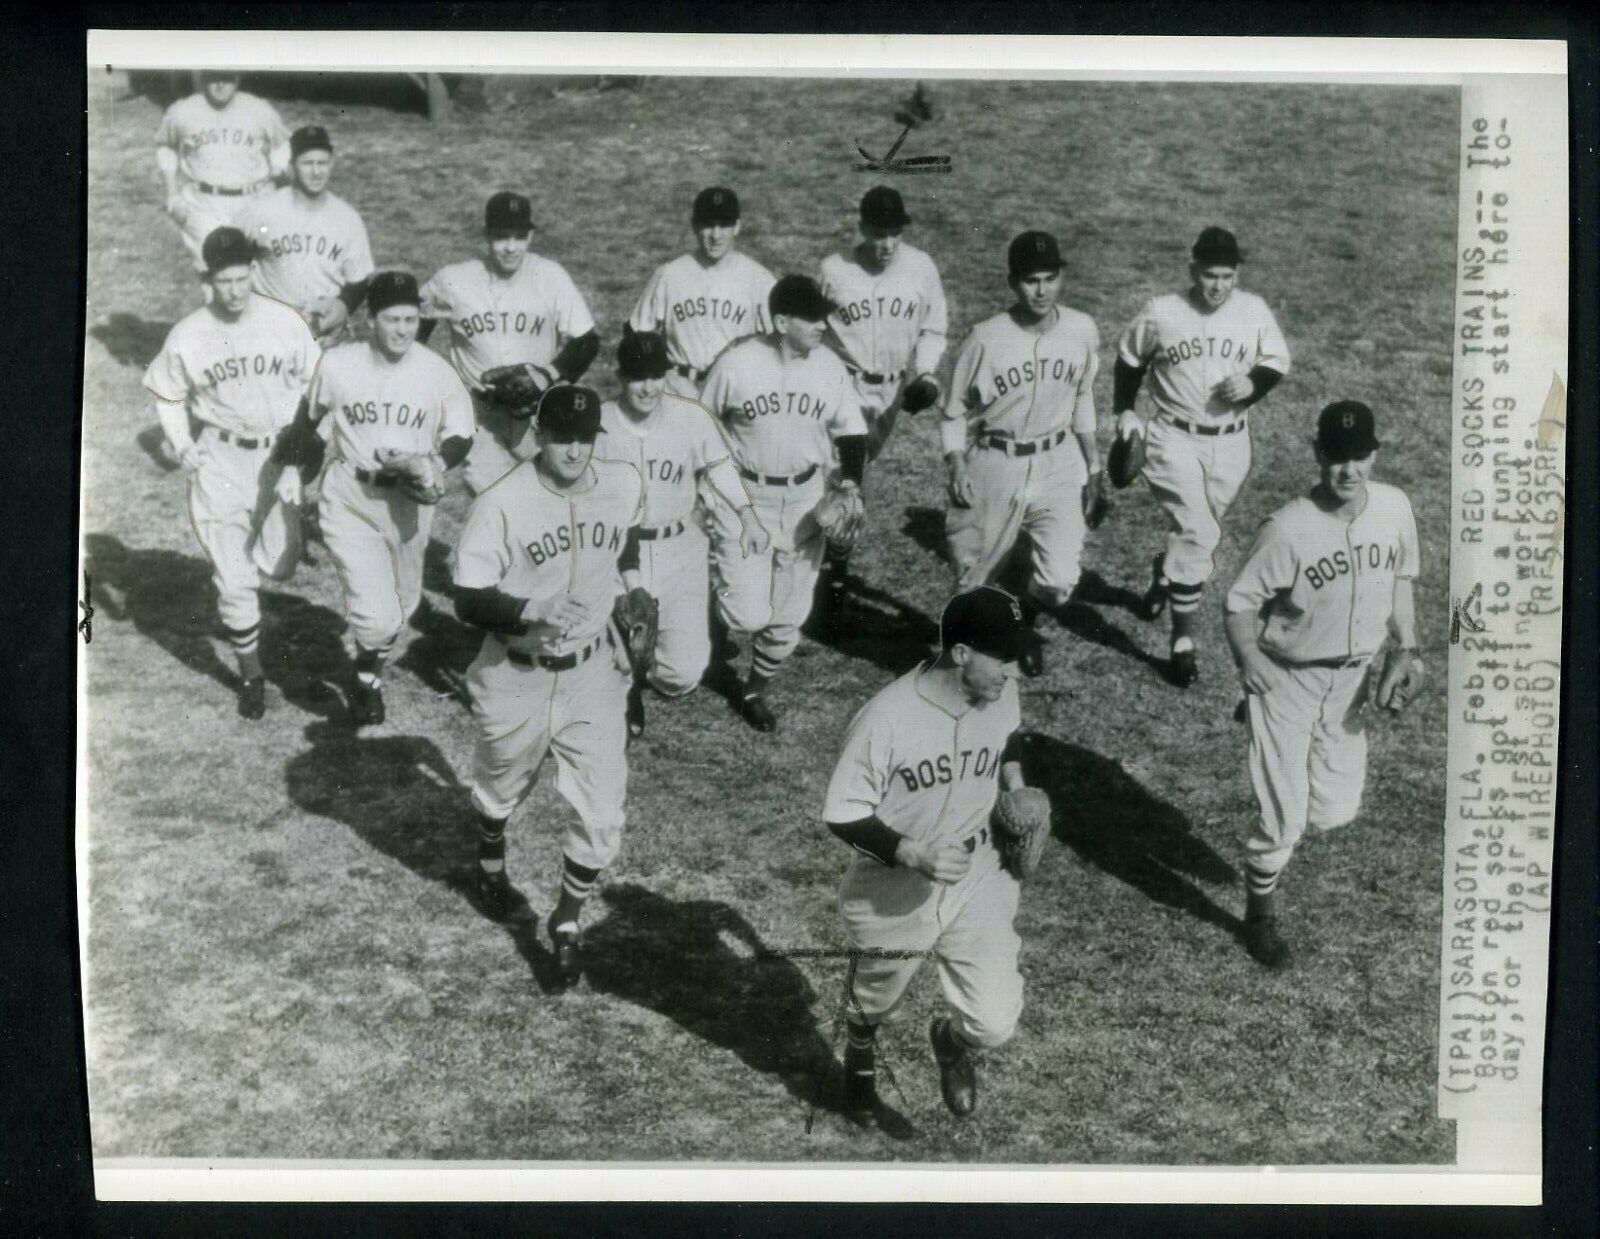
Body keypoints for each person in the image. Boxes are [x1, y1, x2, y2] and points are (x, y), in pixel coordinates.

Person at [450, 386, 648, 989]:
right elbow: (467, 597)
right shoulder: (502, 501)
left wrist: (635, 587)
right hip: (517, 670)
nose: (574, 449)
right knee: (498, 786)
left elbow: (629, 536)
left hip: (591, 673)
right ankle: (489, 854)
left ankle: (564, 922)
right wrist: (532, 606)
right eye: (562, 436)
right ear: (538, 432)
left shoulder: (619, 483)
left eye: (585, 438)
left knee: (604, 810)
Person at [821, 586, 1034, 1129]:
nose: (1012, 670)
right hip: (896, 881)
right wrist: (912, 853)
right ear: (960, 653)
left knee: (993, 1022)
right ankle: (861, 1054)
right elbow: (843, 813)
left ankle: (951, 1041)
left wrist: (1015, 786)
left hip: (979, 869)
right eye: (1002, 657)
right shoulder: (886, 718)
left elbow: (1010, 741)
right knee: (873, 997)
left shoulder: (999, 692)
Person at [1223, 401, 1422, 969]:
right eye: (1337, 457)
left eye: (1359, 457)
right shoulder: (1287, 528)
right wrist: (1247, 660)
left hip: (1352, 680)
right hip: (1286, 680)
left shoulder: (1394, 508)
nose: (1349, 470)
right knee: (1283, 820)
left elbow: (1401, 580)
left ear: (1375, 455)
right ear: (1318, 455)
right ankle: (1258, 915)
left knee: (1333, 811)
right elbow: (1239, 604)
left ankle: (1281, 756)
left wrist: (1406, 648)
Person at [142, 227, 319, 719]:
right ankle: (251, 674)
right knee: (234, 580)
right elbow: (165, 393)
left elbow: (320, 391)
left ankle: (269, 565)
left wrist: (300, 459)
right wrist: (180, 443)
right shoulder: (189, 333)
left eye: (242, 278)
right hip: (220, 459)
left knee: (280, 563)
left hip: (278, 455)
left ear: (253, 273)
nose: (236, 290)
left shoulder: (284, 323)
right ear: (208, 280)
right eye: (225, 281)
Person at [289, 271, 474, 725]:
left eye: (411, 319)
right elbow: (307, 423)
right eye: (393, 319)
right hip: (352, 495)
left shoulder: (435, 372)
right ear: (371, 319)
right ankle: (369, 678)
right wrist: (294, 470)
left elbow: (462, 432)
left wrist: (436, 462)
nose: (404, 330)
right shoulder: (339, 365)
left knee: (404, 607)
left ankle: (366, 673)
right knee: (377, 616)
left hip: (410, 503)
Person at [1113, 226, 1292, 687]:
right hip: (1173, 437)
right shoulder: (1164, 312)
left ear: (1238, 274)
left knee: (1195, 534)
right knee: (1199, 532)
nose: (1218, 285)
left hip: (1232, 442)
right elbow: (1129, 360)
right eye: (1210, 275)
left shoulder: (1253, 310)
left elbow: (1277, 360)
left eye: (1227, 276)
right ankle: (1182, 643)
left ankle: (1164, 572)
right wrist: (1126, 415)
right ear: (1193, 269)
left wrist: (1254, 385)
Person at [698, 275, 869, 731]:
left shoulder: (829, 367)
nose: (822, 325)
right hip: (745, 496)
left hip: (805, 500)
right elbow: (699, 422)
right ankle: (712, 611)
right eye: (811, 317)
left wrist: (850, 481)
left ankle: (754, 690)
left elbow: (852, 431)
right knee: (746, 612)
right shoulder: (736, 365)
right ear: (780, 321)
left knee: (787, 620)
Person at [939, 230, 1102, 676]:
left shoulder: (1081, 329)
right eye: (1031, 280)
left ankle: (1022, 618)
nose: (1042, 289)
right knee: (973, 579)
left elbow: (1082, 396)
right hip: (997, 461)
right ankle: (972, 657)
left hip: (1057, 459)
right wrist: (955, 461)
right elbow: (952, 412)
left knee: (1059, 582)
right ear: (1013, 282)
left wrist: (1095, 467)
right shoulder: (986, 339)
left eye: (1051, 278)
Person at [592, 332, 767, 736]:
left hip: (680, 549)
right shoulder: (600, 423)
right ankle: (625, 687)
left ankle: (644, 658)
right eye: (638, 377)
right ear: (620, 376)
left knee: (681, 677)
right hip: (615, 552)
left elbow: (722, 468)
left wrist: (748, 515)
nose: (648, 387)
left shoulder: (690, 417)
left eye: (656, 376)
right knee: (612, 655)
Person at [814, 185, 949, 620]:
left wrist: (926, 373)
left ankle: (827, 560)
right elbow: (811, 328)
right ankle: (832, 574)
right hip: (845, 385)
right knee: (846, 476)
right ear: (862, 228)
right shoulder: (835, 270)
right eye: (878, 234)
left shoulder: (921, 268)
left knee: (854, 472)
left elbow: (934, 327)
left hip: (890, 393)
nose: (887, 244)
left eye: (894, 233)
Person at [420, 191, 600, 493]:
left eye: (519, 236)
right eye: (502, 237)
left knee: (550, 498)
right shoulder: (454, 280)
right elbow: (409, 324)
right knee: (490, 502)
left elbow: (587, 341)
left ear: (530, 235)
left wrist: (546, 375)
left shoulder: (550, 276)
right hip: (482, 415)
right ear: (487, 235)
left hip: (539, 413)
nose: (511, 247)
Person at [628, 186, 776, 398]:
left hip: (736, 389)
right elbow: (636, 334)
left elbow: (779, 343)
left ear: (737, 227)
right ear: (694, 226)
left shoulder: (760, 280)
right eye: (708, 225)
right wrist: (664, 373)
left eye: (724, 225)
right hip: (679, 389)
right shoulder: (670, 275)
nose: (716, 235)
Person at [236, 125, 375, 345]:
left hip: (323, 326)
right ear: (292, 166)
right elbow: (229, 256)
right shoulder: (263, 211)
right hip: (270, 326)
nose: (316, 172)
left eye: (322, 163)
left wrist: (343, 306)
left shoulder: (348, 219)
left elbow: (358, 281)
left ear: (332, 164)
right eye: (307, 163)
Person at [154, 71, 289, 278]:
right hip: (203, 203)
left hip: (253, 201)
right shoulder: (183, 111)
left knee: (259, 273)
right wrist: (172, 194)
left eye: (227, 77)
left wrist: (277, 172)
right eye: (213, 76)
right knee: (215, 275)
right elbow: (166, 147)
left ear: (238, 77)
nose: (219, 84)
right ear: (203, 78)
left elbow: (282, 146)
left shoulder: (259, 110)